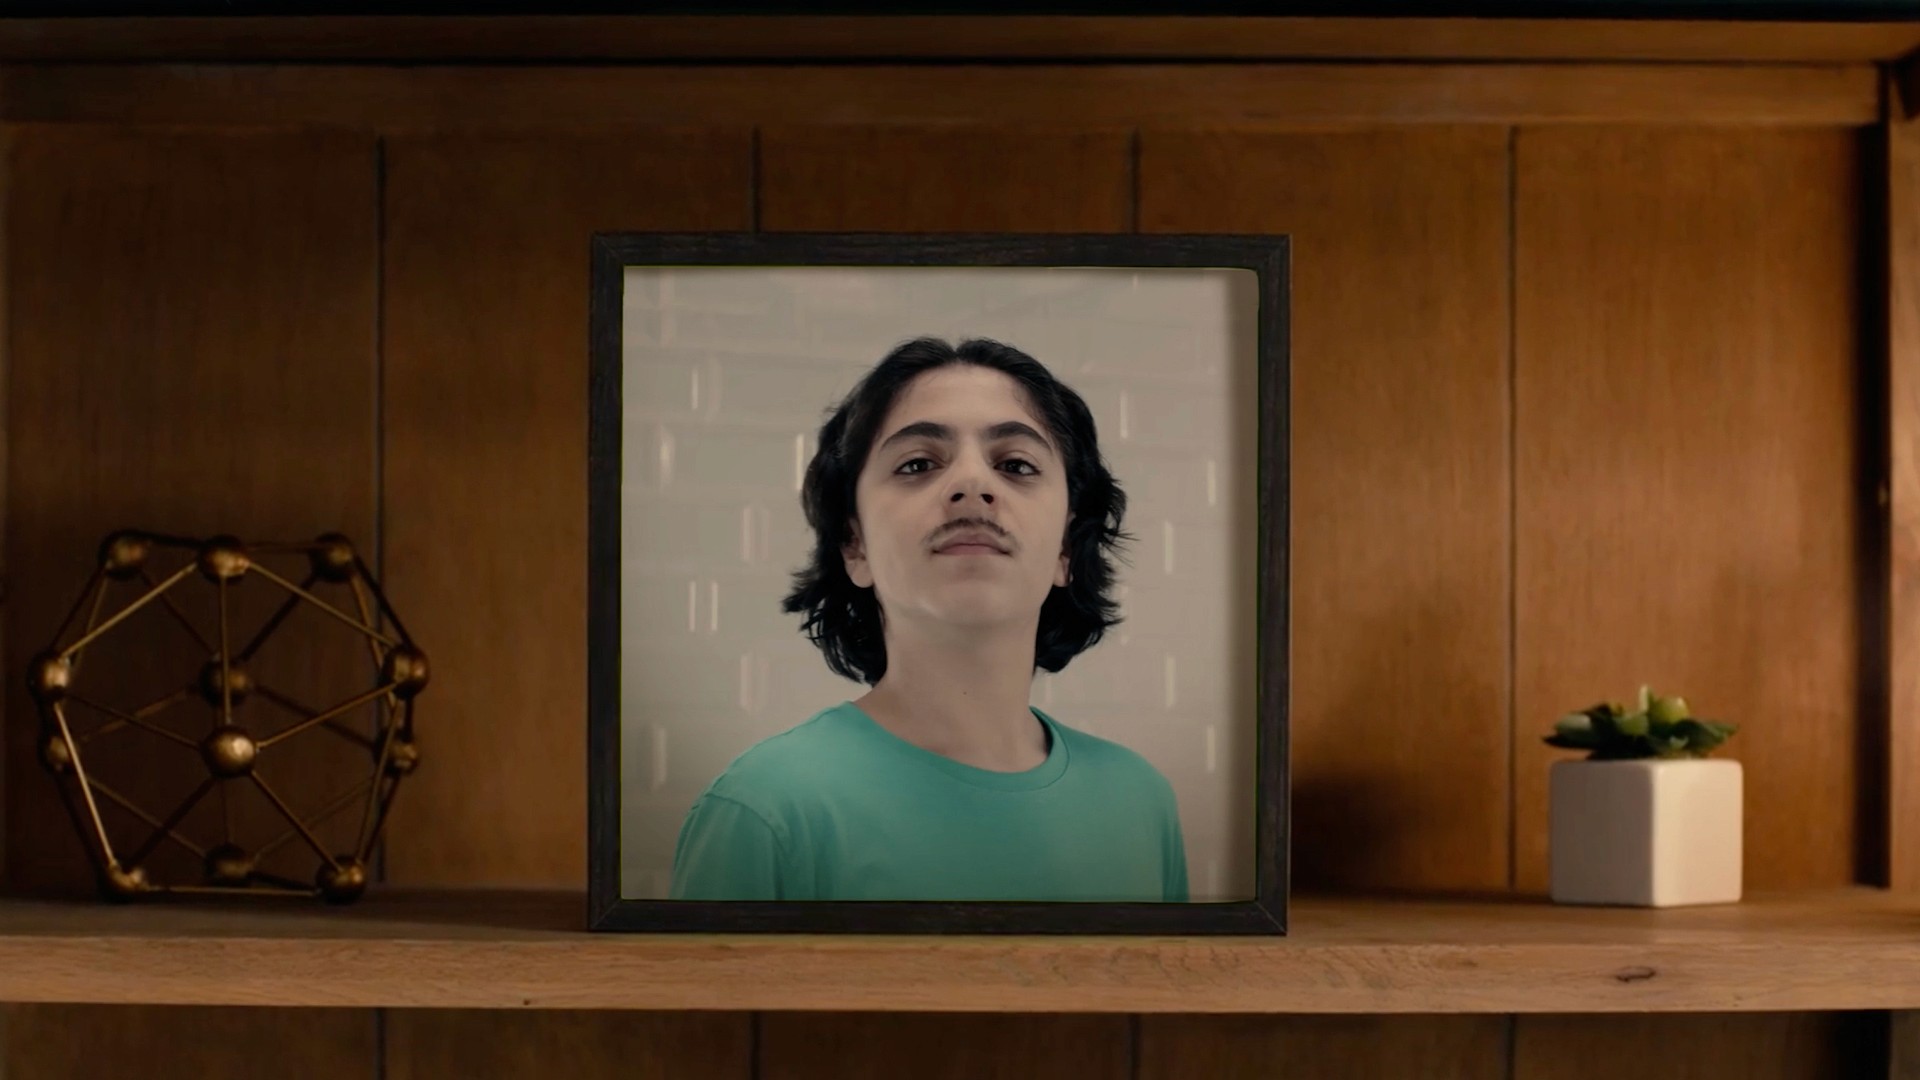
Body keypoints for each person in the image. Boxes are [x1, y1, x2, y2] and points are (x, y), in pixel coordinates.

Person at [668, 335, 1189, 903]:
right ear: (854, 544)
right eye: (917, 464)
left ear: (1067, 545)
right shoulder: (764, 811)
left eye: (1016, 464)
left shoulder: (1142, 804)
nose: (972, 484)